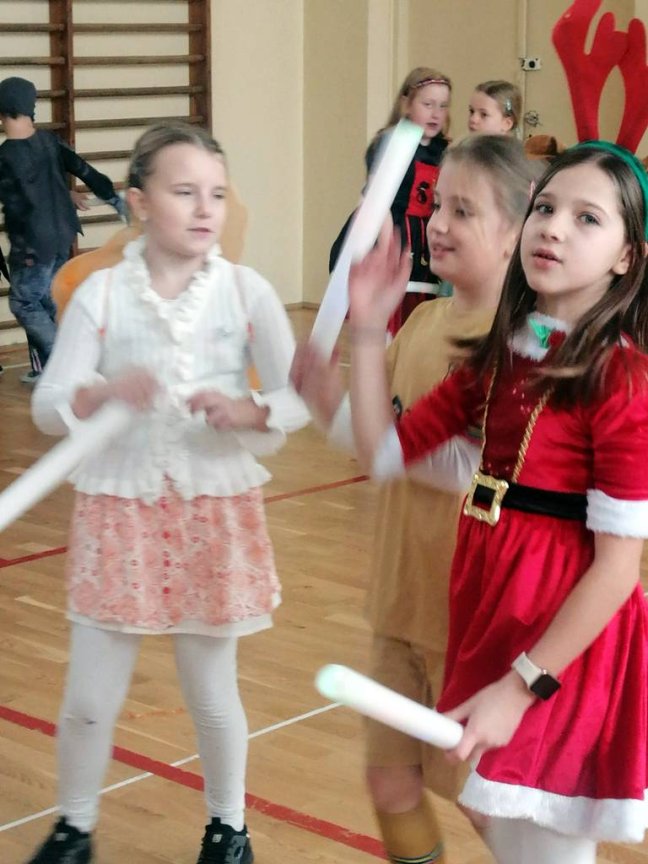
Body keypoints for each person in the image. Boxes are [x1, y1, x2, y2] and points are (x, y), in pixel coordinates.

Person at [346, 141, 648, 863]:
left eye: (587, 219)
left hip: (561, 641)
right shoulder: (505, 353)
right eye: (546, 208)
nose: (554, 228)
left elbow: (617, 570)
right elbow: (383, 453)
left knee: (540, 842)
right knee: (508, 831)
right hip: (489, 611)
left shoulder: (623, 382)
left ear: (626, 257)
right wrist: (366, 329)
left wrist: (522, 686)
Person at [26, 122, 309, 864]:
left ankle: (228, 827)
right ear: (140, 201)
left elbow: (297, 400)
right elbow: (48, 405)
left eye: (216, 193)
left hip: (212, 509)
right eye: (185, 192)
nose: (205, 207)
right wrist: (99, 391)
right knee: (90, 699)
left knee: (211, 693)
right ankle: (74, 828)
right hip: (119, 510)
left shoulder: (246, 290)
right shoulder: (102, 295)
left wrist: (249, 411)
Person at [292, 135, 539, 864]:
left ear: (516, 233)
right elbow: (378, 444)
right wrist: (328, 400)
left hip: (471, 621)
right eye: (438, 206)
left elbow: (464, 467)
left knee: (489, 806)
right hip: (401, 603)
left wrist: (370, 360)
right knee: (390, 781)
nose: (439, 224)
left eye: (465, 210)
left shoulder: (524, 344)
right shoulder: (425, 323)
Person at [0, 76, 125, 384]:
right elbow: (85, 171)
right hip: (62, 234)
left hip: (33, 244)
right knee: (47, 298)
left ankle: (66, 363)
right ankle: (58, 367)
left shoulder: (5, 157)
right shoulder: (48, 142)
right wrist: (115, 201)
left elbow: (21, 196)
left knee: (24, 302)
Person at [329, 67, 452, 337]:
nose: (436, 113)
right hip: (394, 231)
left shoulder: (445, 151)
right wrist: (385, 245)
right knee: (391, 307)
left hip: (426, 237)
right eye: (428, 104)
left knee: (423, 310)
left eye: (443, 106)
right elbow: (375, 200)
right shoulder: (389, 143)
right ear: (407, 104)